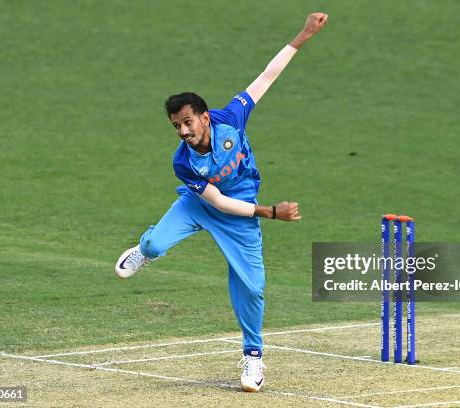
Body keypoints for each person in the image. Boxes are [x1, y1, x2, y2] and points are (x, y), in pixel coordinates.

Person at [115, 12, 328, 392]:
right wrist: (270, 213)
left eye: (187, 122)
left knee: (252, 285)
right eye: (176, 126)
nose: (183, 131)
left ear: (205, 117)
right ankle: (145, 251)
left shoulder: (232, 118)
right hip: (205, 205)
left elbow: (267, 76)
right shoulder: (184, 161)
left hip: (240, 211)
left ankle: (253, 358)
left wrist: (303, 35)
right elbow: (215, 200)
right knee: (155, 243)